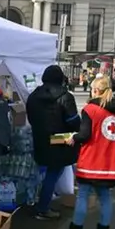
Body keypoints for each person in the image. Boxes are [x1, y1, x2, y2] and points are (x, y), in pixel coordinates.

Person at [56, 77, 115, 229]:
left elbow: (85, 135)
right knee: (105, 197)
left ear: (95, 90)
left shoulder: (90, 110)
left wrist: (73, 137)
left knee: (82, 196)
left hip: (93, 162)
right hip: (112, 164)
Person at [26, 65, 80, 220]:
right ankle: (43, 208)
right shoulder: (66, 96)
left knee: (43, 172)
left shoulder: (34, 96)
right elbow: (73, 121)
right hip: (60, 140)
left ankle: (37, 201)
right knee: (53, 172)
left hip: (40, 139)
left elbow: (31, 117)